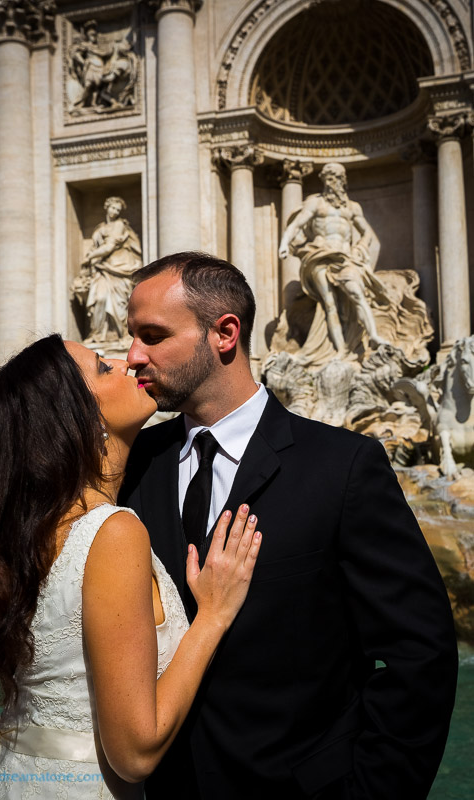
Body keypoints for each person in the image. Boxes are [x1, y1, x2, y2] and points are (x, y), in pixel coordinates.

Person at [120, 251, 458, 800]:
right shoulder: (134, 463)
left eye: (152, 335)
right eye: (132, 335)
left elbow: (419, 653)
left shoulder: (344, 466)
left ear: (224, 333)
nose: (133, 356)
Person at [0, 333, 262, 799]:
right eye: (103, 368)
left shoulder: (25, 529)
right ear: (80, 418)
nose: (127, 361)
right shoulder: (113, 533)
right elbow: (134, 755)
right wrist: (211, 618)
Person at [279, 162, 387, 355]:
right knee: (329, 302)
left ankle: (373, 336)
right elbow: (296, 224)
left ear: (343, 181)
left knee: (356, 293)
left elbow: (368, 234)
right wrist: (284, 243)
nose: (332, 182)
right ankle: (340, 351)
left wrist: (360, 249)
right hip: (319, 256)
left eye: (336, 178)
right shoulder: (315, 203)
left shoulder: (353, 208)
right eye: (328, 178)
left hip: (345, 257)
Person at [71, 196, 142, 344]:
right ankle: (97, 335)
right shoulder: (100, 228)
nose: (115, 211)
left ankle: (122, 335)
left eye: (118, 209)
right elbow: (96, 247)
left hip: (119, 268)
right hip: (101, 270)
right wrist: (91, 260)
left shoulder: (119, 226)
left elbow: (109, 247)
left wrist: (89, 257)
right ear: (107, 207)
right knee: (100, 299)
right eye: (113, 208)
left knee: (119, 304)